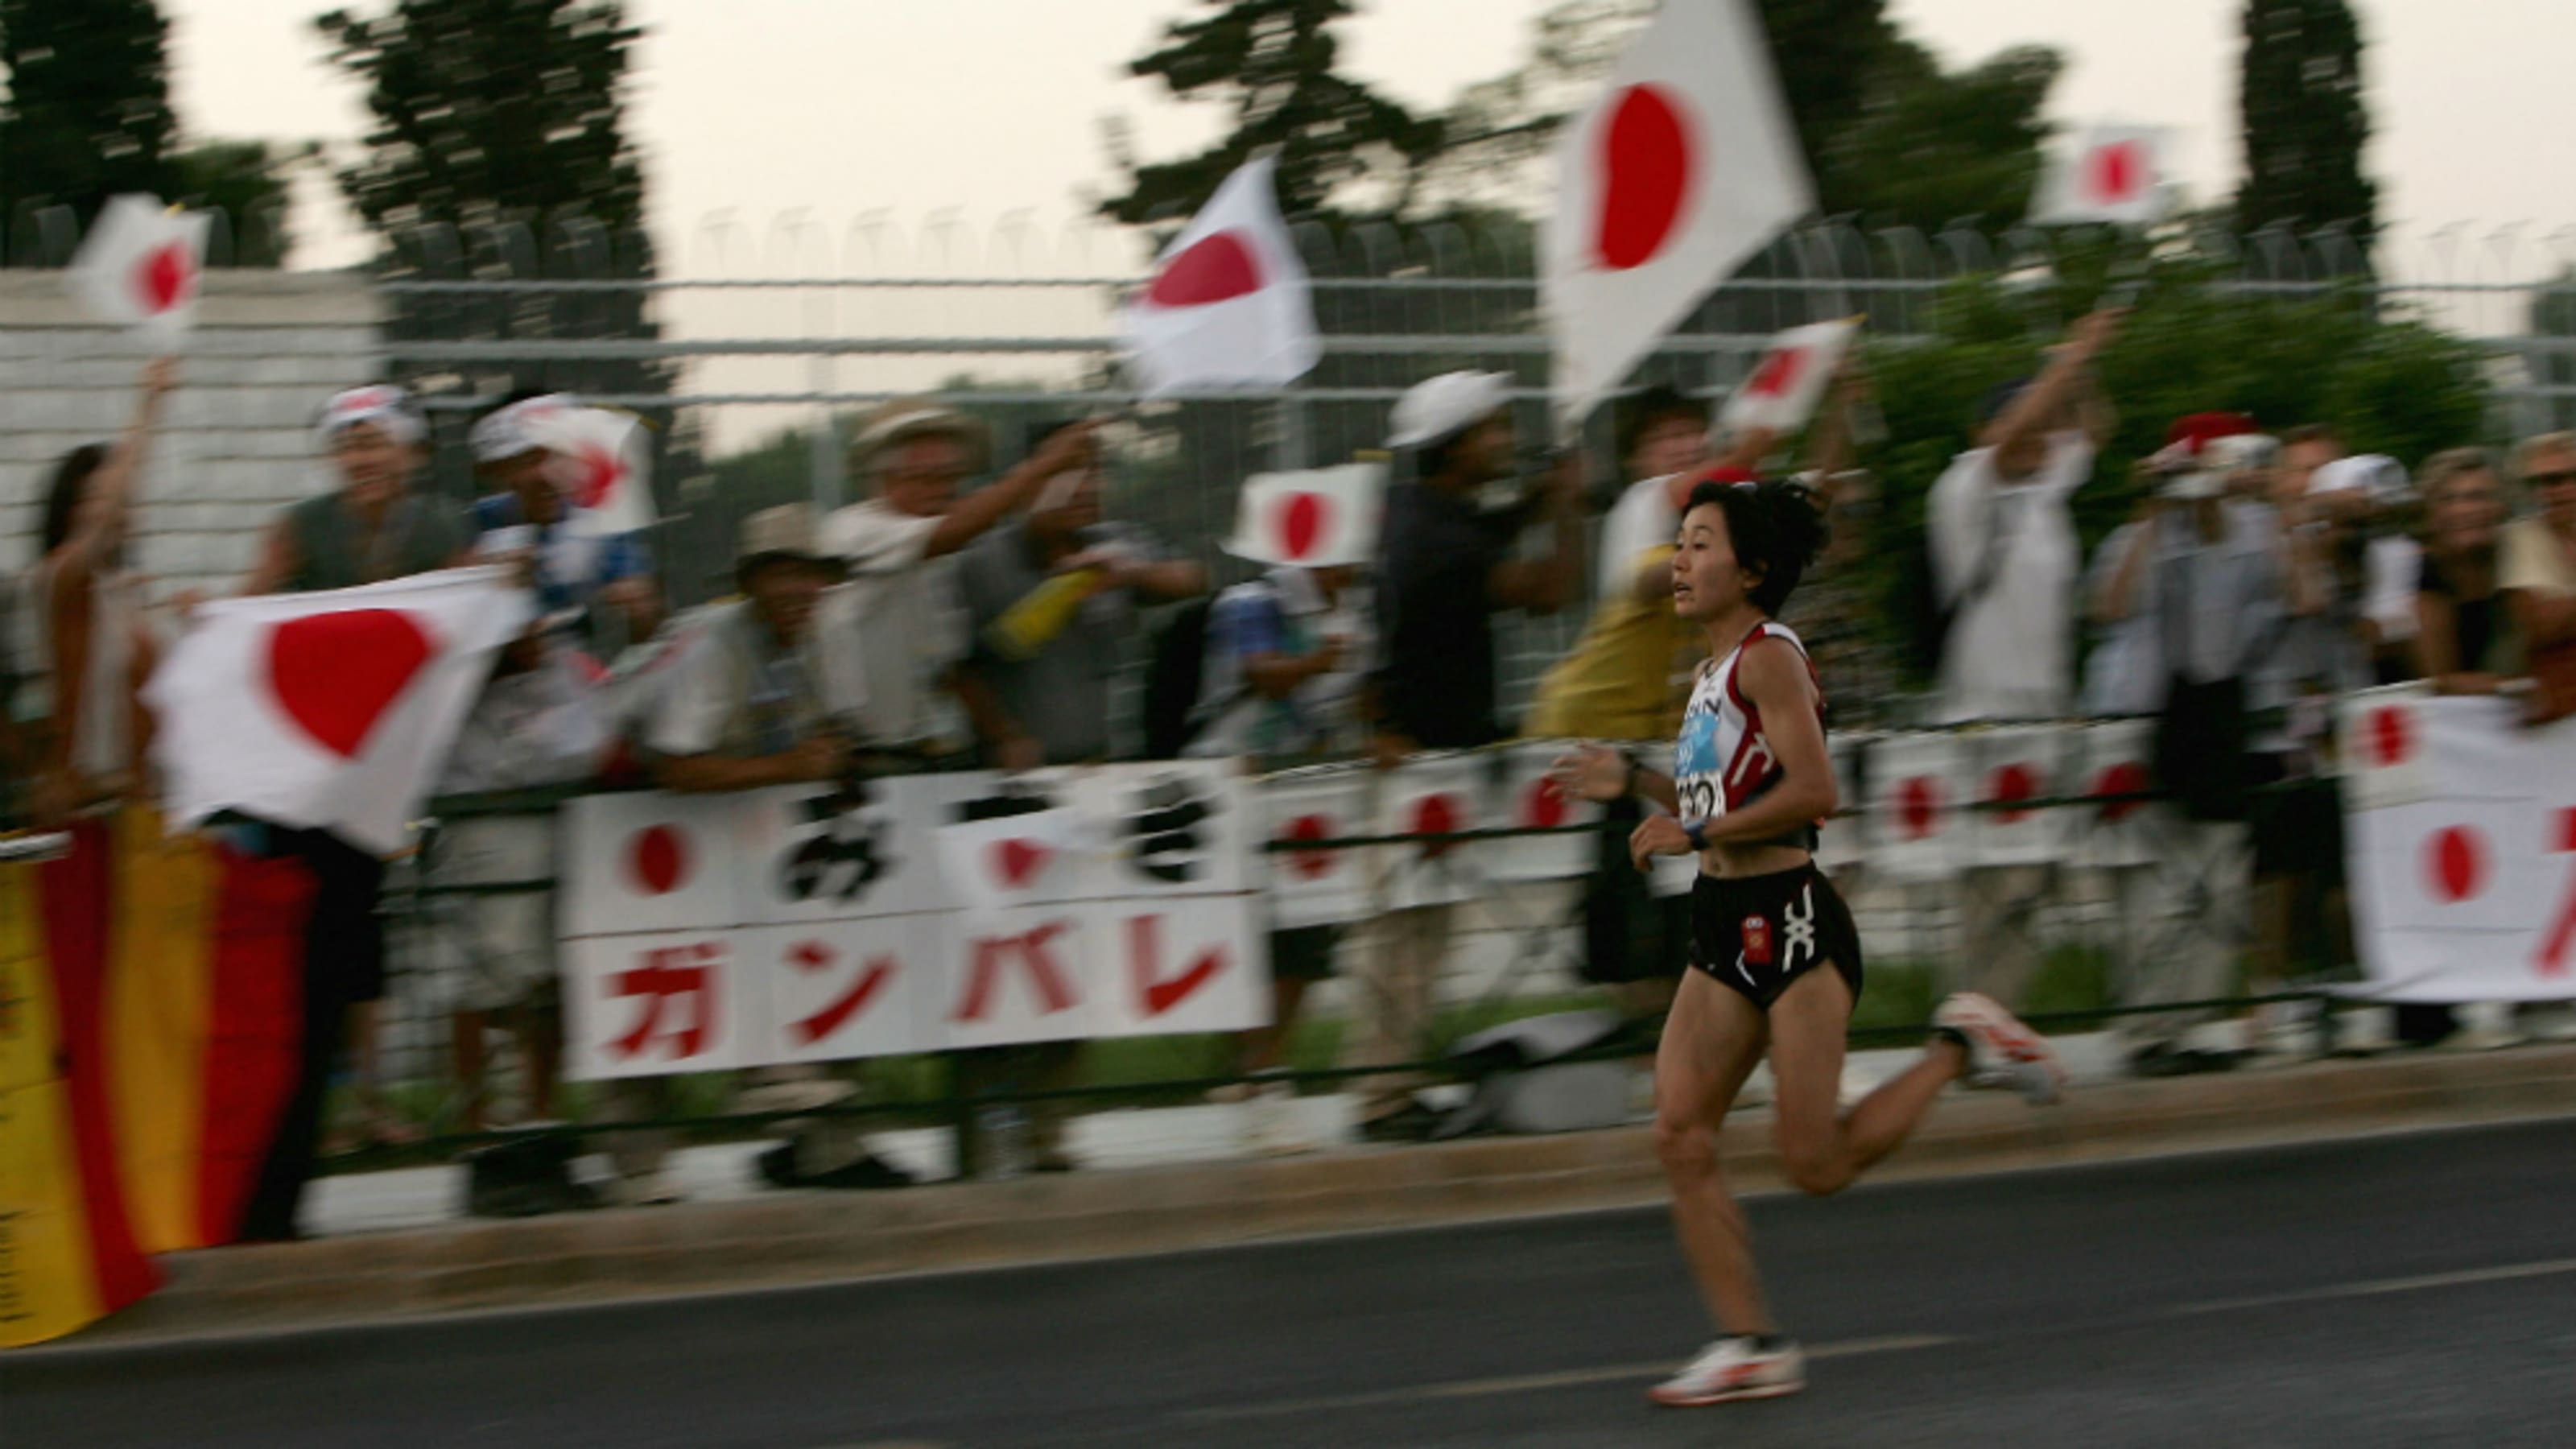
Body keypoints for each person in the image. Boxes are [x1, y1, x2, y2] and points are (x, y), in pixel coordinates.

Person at [1553, 477, 2065, 1408]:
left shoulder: (1768, 655)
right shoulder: (1709, 673)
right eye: (1678, 541)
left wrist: (1694, 835)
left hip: (1789, 922)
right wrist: (1634, 781)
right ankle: (1749, 1342)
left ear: (1749, 569)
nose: (1678, 559)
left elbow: (1812, 793)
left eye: (1700, 543)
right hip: (1720, 929)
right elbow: (1718, 799)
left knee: (1814, 1164)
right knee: (1677, 1132)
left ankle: (1959, 1044)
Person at [236, 385, 470, 1241]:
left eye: (378, 444)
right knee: (314, 970)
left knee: (358, 957)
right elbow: (252, 609)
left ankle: (347, 1117)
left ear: (408, 452)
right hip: (314, 784)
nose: (364, 459)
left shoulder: (441, 529)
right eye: (350, 446)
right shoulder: (303, 529)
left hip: (396, 771)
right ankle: (302, 1146)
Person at [952, 423, 1205, 1170]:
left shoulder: (1111, 545)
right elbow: (956, 667)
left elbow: (1190, 580)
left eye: (1094, 473)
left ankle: (1049, 1130)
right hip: (1007, 796)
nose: (1086, 488)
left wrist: (1123, 576)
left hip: (1093, 783)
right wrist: (1001, 730)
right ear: (1033, 478)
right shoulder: (982, 562)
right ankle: (982, 1132)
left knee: (1078, 965)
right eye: (1070, 472)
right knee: (1000, 968)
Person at [1354, 370, 1583, 1141]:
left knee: (1416, 933)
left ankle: (1392, 1086)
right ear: (1455, 447)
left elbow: (1492, 533)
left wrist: (1542, 496)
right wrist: (1571, 505)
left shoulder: (1419, 513)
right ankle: (1382, 1097)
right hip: (1424, 762)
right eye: (1492, 429)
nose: (1504, 439)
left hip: (1420, 752)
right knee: (1408, 938)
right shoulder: (1441, 538)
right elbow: (1551, 589)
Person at [1927, 309, 2123, 1012]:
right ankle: (1968, 1023)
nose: (2039, 432)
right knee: (1989, 882)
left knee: (2031, 880)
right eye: (2021, 420)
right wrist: (2067, 362)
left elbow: (2094, 430)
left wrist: (2084, 368)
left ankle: (1996, 1020)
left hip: (2044, 716)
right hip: (1984, 718)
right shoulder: (1964, 488)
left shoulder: (2043, 496)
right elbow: (2018, 431)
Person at [2087, 420, 2292, 1071]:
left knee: (2222, 878)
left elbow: (2303, 595)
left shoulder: (2255, 536)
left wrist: (2278, 507)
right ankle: (2147, 1030)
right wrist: (2155, 507)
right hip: (2142, 720)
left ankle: (2198, 1022)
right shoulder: (2144, 536)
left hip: (2215, 726)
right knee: (2151, 888)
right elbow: (2108, 608)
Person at [1188, 535, 1373, 1152]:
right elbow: (1261, 673)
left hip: (1306, 796)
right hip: (1237, 788)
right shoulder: (1253, 601)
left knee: (1303, 941)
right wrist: (1320, 663)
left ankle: (1263, 1074)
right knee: (1248, 941)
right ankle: (1252, 1073)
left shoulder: (1350, 613)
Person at [822, 400, 1101, 762]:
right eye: (929, 477)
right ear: (884, 481)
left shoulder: (940, 560)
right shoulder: (856, 530)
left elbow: (947, 666)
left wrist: (1005, 735)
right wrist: (1045, 465)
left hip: (932, 755)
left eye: (953, 477)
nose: (945, 489)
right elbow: (954, 529)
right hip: (862, 756)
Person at [22, 357, 175, 828]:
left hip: (132, 808)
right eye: (93, 499)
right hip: (78, 809)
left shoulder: (123, 593)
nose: (113, 512)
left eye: (121, 502)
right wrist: (149, 406)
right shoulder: (56, 577)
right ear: (68, 510)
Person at [466, 390, 661, 650]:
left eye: (560, 453)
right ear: (499, 470)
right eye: (531, 459)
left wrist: (638, 606)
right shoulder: (479, 525)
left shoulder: (602, 519)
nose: (548, 473)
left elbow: (647, 625)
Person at [2413, 449, 2520, 695]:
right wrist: (2516, 686)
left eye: (2479, 497)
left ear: (2501, 505)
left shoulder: (2518, 555)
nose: (2465, 510)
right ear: (2432, 513)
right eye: (2449, 500)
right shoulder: (2425, 575)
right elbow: (2439, 680)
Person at [2501, 431, 2576, 722]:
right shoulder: (2521, 536)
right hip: (2557, 705)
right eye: (2534, 483)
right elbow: (2540, 625)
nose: (2545, 492)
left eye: (2556, 479)